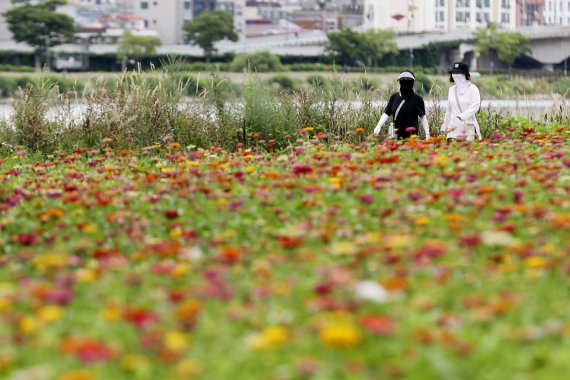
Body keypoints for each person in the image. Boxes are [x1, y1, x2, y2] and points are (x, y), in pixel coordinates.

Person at [373, 71, 430, 140]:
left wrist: (427, 134)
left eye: (408, 80)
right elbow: (386, 113)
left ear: (412, 82)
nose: (405, 82)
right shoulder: (394, 97)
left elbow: (423, 117)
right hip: (395, 135)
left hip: (411, 136)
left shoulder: (417, 99)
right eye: (403, 80)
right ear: (399, 81)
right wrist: (379, 125)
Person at [441, 62, 482, 142]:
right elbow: (449, 109)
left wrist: (462, 116)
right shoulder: (451, 90)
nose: (455, 75)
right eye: (454, 72)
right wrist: (445, 124)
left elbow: (476, 105)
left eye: (458, 72)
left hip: (467, 128)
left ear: (465, 74)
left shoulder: (473, 89)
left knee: (467, 152)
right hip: (453, 130)